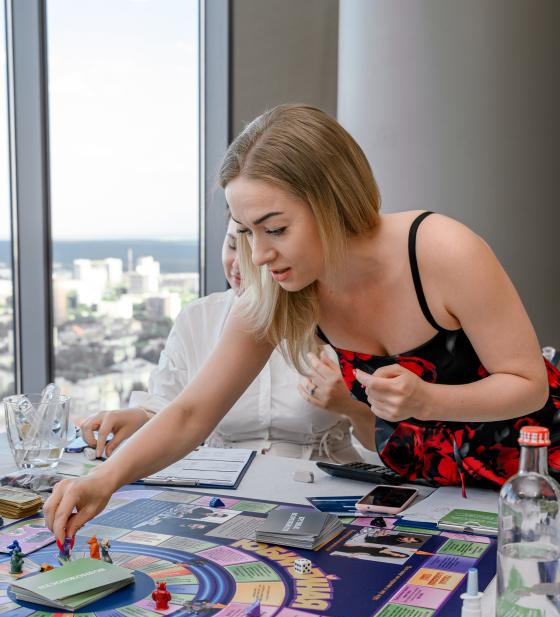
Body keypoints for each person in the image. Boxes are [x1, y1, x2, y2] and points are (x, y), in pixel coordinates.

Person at [45, 104, 560, 541]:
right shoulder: (282, 287)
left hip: (538, 480)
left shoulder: (443, 250)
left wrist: (428, 400)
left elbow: (529, 385)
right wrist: (104, 481)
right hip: (426, 496)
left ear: (333, 202)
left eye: (275, 228)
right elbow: (191, 414)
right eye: (245, 232)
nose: (259, 255)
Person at [80, 218, 371, 461]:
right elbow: (170, 407)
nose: (238, 265)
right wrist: (137, 417)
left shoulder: (340, 322)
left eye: (252, 252)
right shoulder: (198, 318)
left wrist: (351, 405)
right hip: (220, 483)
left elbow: (380, 444)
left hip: (322, 482)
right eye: (232, 245)